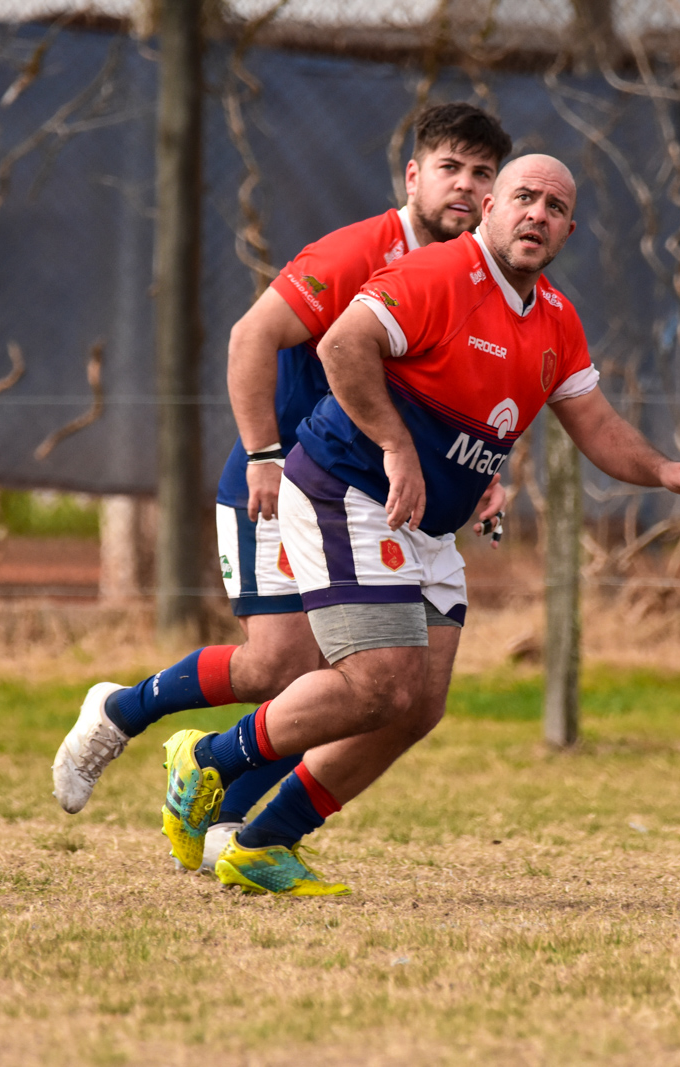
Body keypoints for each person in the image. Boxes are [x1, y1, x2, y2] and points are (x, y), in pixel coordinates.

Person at [159, 154, 680, 896]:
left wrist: (659, 468)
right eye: (524, 197)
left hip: (426, 525)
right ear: (490, 207)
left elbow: (595, 421)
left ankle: (264, 841)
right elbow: (340, 345)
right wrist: (396, 445)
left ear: (568, 230)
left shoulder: (554, 316)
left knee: (417, 705)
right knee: (376, 684)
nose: (537, 215)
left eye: (554, 207)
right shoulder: (441, 274)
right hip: (348, 491)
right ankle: (208, 760)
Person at [52, 104, 514, 865]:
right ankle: (121, 710)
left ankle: (231, 819)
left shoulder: (476, 279)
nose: (464, 186)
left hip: (370, 500)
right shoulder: (363, 249)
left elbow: (465, 394)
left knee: (368, 683)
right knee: (279, 667)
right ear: (413, 175)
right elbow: (250, 335)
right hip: (288, 478)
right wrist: (263, 450)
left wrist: (485, 470)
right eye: (449, 168)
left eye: (481, 173)